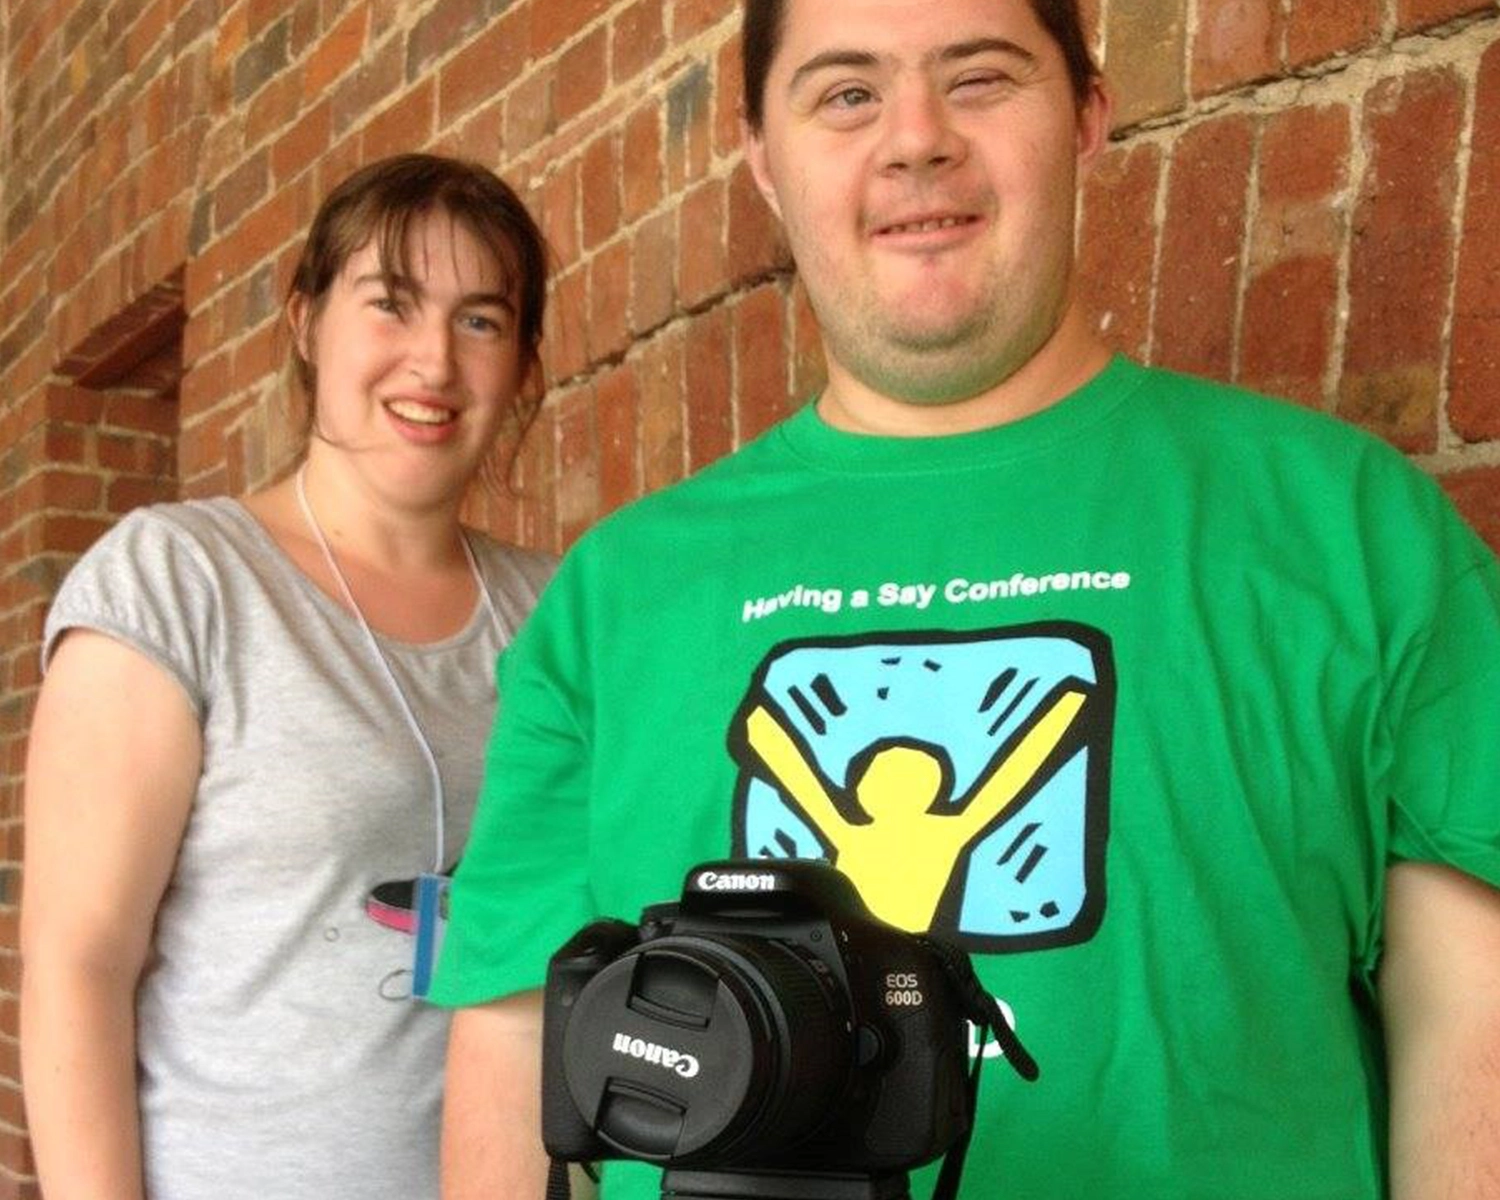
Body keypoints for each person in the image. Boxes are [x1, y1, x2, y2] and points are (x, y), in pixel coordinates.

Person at [434, 1, 1500, 1197]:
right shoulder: (612, 600)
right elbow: (518, 1038)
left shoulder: (1350, 530)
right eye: (846, 93)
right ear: (762, 162)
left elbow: (1472, 1023)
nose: (916, 139)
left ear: (1089, 118)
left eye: (982, 78)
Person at [21, 153, 556, 1200]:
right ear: (309, 322)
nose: (434, 362)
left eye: (482, 321)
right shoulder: (180, 579)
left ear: (523, 365)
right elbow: (78, 967)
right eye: (391, 306)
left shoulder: (552, 616)